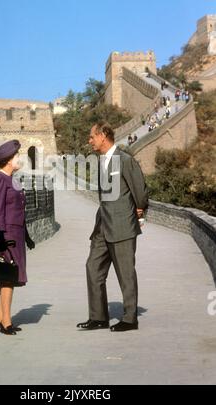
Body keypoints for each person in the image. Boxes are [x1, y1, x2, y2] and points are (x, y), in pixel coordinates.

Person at [77, 122, 148, 332]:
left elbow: (140, 191)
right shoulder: (100, 162)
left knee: (125, 274)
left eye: (92, 137)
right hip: (102, 227)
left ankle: (130, 318)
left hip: (123, 226)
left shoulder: (125, 161)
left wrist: (140, 211)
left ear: (103, 135)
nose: (89, 141)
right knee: (93, 268)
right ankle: (98, 317)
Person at [0, 139, 35, 335]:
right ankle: (7, 322)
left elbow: (18, 211)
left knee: (7, 276)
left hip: (15, 232)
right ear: (8, 160)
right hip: (6, 233)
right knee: (8, 278)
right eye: (17, 157)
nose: (19, 159)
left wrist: (26, 235)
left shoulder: (12, 180)